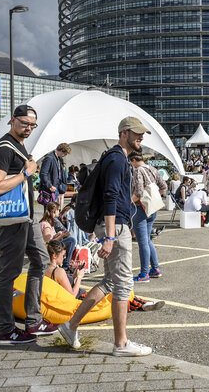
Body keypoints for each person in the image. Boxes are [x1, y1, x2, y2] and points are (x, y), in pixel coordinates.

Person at [58, 116, 153, 357]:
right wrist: (110, 236)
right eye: (136, 133)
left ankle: (71, 326)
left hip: (115, 225)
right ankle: (121, 344)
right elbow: (110, 196)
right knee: (123, 284)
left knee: (111, 282)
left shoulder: (116, 157)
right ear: (124, 133)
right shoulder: (117, 159)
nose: (141, 137)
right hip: (114, 227)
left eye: (142, 134)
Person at [0, 104, 57, 344]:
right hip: (13, 219)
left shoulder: (18, 146)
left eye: (32, 125)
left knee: (41, 260)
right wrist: (26, 173)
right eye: (24, 123)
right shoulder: (4, 148)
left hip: (27, 217)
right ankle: (6, 329)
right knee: (9, 272)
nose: (28, 128)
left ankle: (33, 321)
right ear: (12, 120)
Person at [130, 151, 167, 282]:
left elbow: (139, 193)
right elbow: (163, 187)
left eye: (131, 162)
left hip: (141, 209)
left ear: (134, 160)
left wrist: (129, 201)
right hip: (153, 208)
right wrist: (154, 197)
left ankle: (144, 273)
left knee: (142, 243)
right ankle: (155, 268)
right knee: (147, 240)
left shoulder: (137, 171)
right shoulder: (152, 168)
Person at [39, 201, 76, 269]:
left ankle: (65, 263)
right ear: (54, 212)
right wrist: (61, 236)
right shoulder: (46, 225)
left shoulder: (49, 221)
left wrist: (57, 234)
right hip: (47, 249)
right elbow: (48, 243)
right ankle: (66, 266)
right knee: (71, 241)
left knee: (70, 239)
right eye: (58, 210)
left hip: (49, 245)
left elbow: (51, 238)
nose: (59, 212)